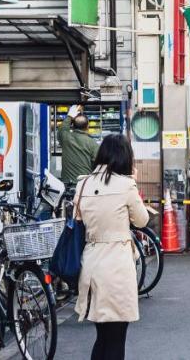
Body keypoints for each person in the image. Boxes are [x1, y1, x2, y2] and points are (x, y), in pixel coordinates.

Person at [74, 134, 150, 360]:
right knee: (117, 336)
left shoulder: (83, 183)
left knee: (102, 336)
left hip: (91, 261)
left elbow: (77, 218)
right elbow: (142, 220)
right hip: (117, 264)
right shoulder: (126, 185)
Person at [58, 104, 98, 188]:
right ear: (88, 126)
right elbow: (98, 164)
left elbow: (62, 128)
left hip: (67, 185)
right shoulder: (92, 143)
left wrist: (69, 116)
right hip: (84, 185)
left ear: (72, 125)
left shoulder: (66, 137)